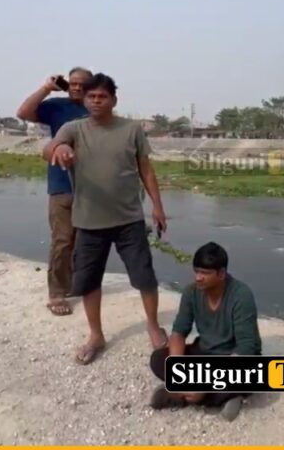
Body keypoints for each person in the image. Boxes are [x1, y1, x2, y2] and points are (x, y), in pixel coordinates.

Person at [43, 73, 169, 364]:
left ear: (114, 100)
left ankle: (153, 325)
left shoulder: (131, 129)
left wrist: (157, 207)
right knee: (89, 282)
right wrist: (59, 148)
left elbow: (146, 169)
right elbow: (48, 149)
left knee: (145, 277)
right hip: (88, 222)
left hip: (129, 219)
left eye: (102, 96)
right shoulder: (73, 129)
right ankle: (96, 335)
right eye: (91, 96)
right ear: (84, 99)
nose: (96, 101)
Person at [148, 241, 261, 422]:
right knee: (158, 359)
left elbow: (246, 348)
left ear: (221, 274)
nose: (198, 278)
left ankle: (208, 395)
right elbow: (178, 333)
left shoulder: (241, 296)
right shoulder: (191, 292)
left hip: (234, 358)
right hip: (205, 353)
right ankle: (211, 396)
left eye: (205, 273)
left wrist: (206, 383)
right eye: (197, 271)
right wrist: (177, 371)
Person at [17, 68, 94, 316]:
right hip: (62, 185)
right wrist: (46, 88)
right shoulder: (56, 106)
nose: (76, 87)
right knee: (62, 240)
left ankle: (75, 283)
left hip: (91, 187)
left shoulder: (96, 108)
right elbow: (23, 113)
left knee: (84, 241)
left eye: (82, 84)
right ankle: (57, 293)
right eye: (73, 83)